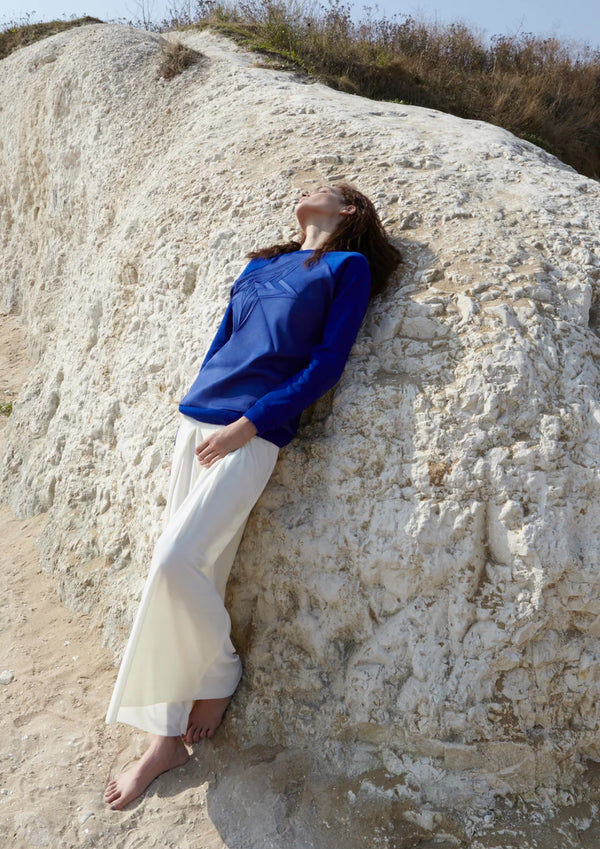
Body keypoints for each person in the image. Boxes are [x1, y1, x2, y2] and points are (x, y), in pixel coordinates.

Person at [104, 183, 401, 810]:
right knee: (189, 571)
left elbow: (327, 364)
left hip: (251, 431)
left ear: (349, 210)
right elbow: (224, 340)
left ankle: (220, 673)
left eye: (325, 187)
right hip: (196, 419)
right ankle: (163, 740)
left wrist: (252, 422)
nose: (307, 188)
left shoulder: (347, 268)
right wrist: (197, 404)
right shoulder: (261, 265)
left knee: (174, 562)